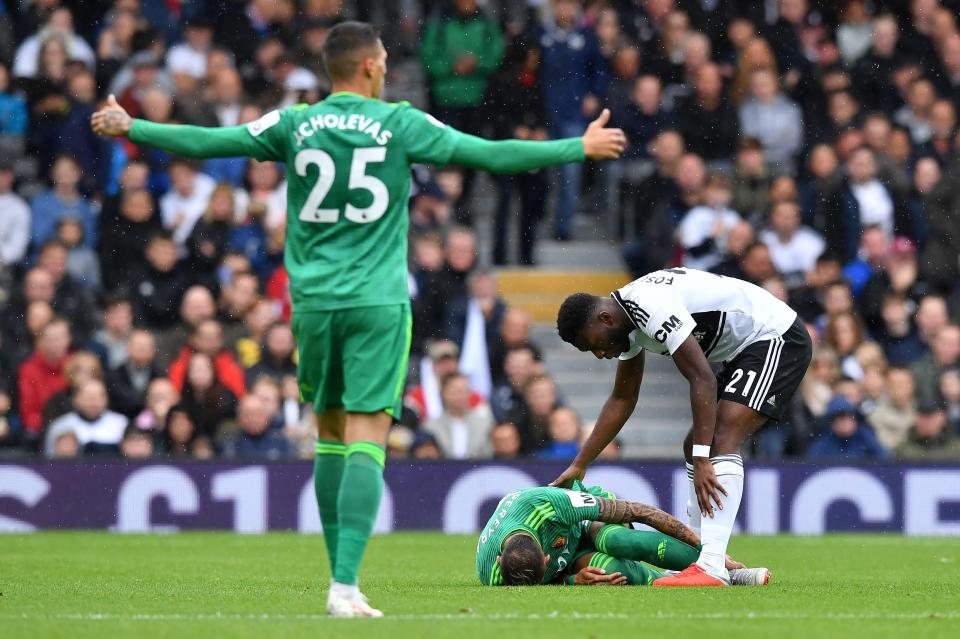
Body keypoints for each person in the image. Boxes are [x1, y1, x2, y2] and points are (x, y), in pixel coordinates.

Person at [92, 20, 625, 618]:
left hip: (314, 304)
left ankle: (337, 574)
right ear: (371, 66)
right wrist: (575, 147)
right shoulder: (398, 122)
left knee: (329, 434)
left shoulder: (297, 122)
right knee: (368, 436)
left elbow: (214, 142)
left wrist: (132, 125)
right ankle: (344, 586)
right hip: (376, 304)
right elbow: (489, 153)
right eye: (385, 60)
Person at [551, 266, 811, 586]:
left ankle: (712, 565)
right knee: (695, 445)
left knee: (717, 442)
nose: (601, 353)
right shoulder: (627, 322)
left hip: (775, 336)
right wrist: (580, 464)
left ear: (605, 319)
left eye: (594, 344)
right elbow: (622, 399)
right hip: (744, 350)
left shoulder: (648, 305)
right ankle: (701, 560)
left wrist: (704, 458)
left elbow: (701, 378)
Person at [476, 482, 769, 587]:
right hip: (573, 559)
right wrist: (569, 580)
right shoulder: (494, 573)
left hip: (584, 525)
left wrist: (709, 548)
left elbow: (641, 512)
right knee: (614, 573)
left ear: (546, 554)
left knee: (618, 541)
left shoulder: (551, 505)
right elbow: (539, 583)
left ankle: (716, 567)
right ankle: (725, 581)